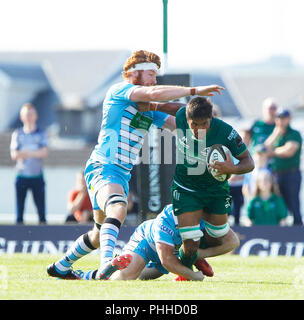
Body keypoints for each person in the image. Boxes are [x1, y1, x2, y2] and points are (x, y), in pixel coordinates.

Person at [47, 50, 225, 280]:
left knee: (98, 233)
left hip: (120, 174)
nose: (154, 79)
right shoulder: (119, 91)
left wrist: (206, 125)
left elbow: (177, 124)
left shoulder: (148, 110)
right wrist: (194, 92)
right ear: (133, 74)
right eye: (150, 74)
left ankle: (61, 266)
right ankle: (105, 264)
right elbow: (153, 92)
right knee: (118, 208)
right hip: (104, 165)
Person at [171, 97, 255, 279]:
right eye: (194, 124)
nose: (199, 128)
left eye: (204, 124)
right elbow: (169, 107)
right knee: (190, 238)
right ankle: (185, 275)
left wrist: (231, 168)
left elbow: (249, 162)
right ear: (187, 119)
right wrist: (151, 105)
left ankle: (196, 256)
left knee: (217, 235)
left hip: (216, 191)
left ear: (212, 118)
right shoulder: (180, 116)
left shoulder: (226, 132)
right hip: (186, 188)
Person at [70, 204, 239, 281]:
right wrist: (193, 275)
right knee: (128, 276)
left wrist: (201, 253)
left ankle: (194, 258)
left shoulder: (200, 215)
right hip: (147, 242)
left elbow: (233, 241)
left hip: (170, 251)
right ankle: (97, 273)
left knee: (150, 276)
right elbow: (167, 260)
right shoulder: (165, 221)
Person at [10, 103, 48, 224]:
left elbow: (43, 152)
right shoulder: (18, 134)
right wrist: (34, 151)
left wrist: (25, 152)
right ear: (21, 117)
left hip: (37, 176)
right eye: (26, 115)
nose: (29, 117)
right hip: (21, 176)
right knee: (19, 213)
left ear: (36, 116)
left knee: (41, 213)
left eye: (31, 114)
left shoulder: (41, 133)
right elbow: (14, 155)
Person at [264, 108, 303, 225]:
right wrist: (276, 132)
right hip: (277, 174)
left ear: (289, 119)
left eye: (283, 118)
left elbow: (289, 150)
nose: (281, 121)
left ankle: (297, 229)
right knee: (280, 204)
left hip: (291, 174)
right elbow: (265, 148)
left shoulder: (294, 133)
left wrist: (273, 152)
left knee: (293, 204)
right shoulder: (277, 135)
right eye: (278, 118)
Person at [228, 129, 251, 225]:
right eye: (242, 137)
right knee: (227, 209)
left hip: (241, 186)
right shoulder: (230, 151)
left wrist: (237, 174)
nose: (244, 140)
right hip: (229, 185)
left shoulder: (250, 152)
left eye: (246, 138)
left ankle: (237, 227)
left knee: (238, 209)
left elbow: (250, 171)